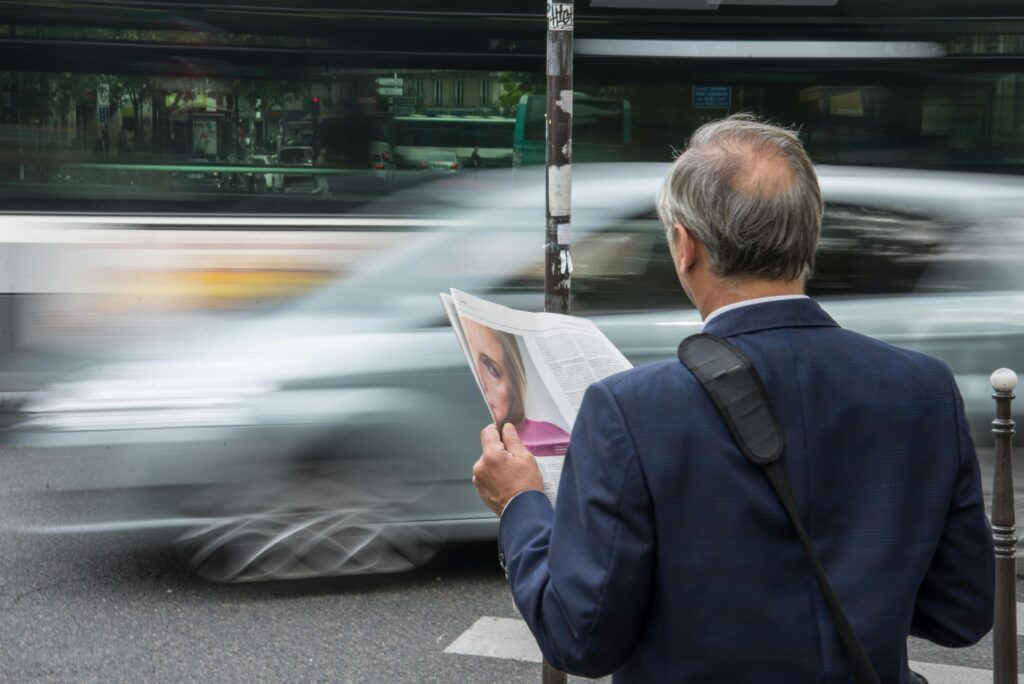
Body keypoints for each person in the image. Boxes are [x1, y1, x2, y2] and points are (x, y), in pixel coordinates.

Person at [471, 113, 994, 682]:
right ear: (809, 235)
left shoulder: (632, 410)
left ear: (685, 246)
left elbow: (581, 639)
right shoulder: (922, 389)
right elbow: (962, 611)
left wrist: (520, 504)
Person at [461, 317, 569, 456]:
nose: (479, 379)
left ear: (513, 382)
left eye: (490, 368)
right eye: (470, 359)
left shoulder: (549, 437)